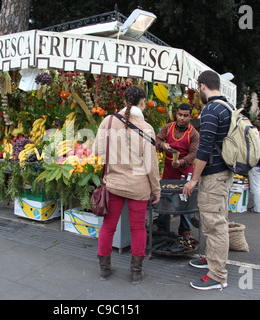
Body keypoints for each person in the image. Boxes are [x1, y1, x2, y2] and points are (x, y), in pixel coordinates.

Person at [92, 85, 161, 284]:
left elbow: (97, 151)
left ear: (124, 101)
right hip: (139, 187)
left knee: (108, 225)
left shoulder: (109, 121)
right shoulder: (146, 128)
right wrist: (156, 189)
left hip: (114, 183)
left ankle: (105, 268)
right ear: (142, 102)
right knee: (138, 228)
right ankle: (136, 272)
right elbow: (152, 165)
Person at [183, 70, 234, 291]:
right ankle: (212, 261)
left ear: (202, 86)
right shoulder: (228, 106)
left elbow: (204, 149)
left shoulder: (211, 110)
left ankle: (217, 275)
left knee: (214, 225)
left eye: (197, 87)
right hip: (224, 172)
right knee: (217, 219)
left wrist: (193, 179)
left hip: (214, 175)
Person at [155, 103, 199, 237]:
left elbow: (193, 154)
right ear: (176, 114)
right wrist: (162, 144)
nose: (182, 118)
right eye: (180, 114)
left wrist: (181, 162)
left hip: (185, 171)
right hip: (169, 170)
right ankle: (162, 226)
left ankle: (185, 229)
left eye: (185, 116)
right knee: (165, 197)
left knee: (185, 198)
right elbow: (157, 140)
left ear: (190, 117)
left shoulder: (194, 134)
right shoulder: (168, 128)